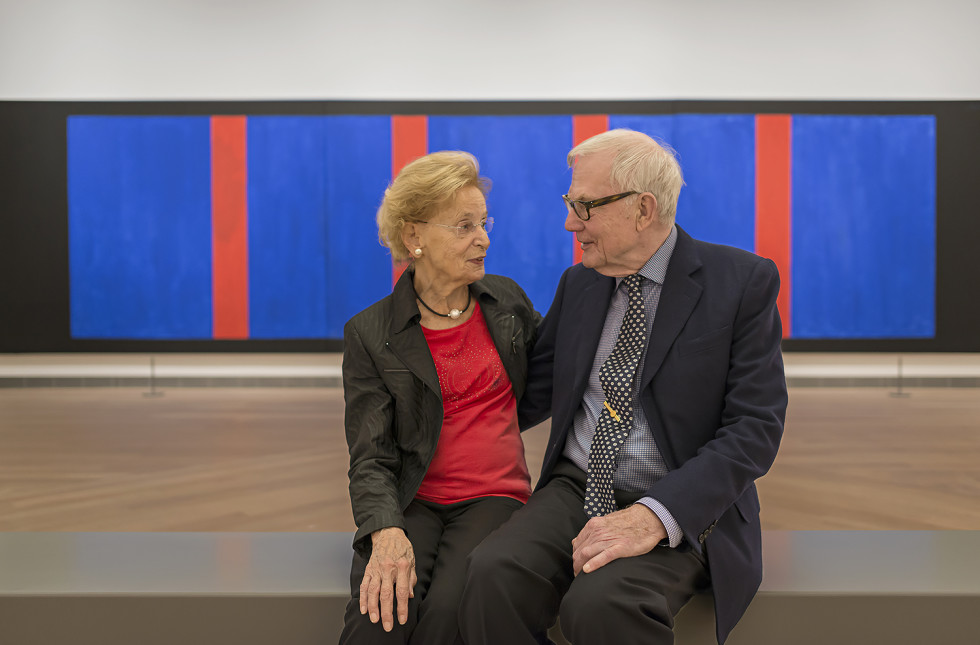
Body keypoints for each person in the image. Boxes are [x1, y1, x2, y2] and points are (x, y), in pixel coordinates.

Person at [459, 129, 787, 645]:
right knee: (492, 575)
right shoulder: (581, 284)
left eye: (585, 206)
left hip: (679, 498)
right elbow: (525, 395)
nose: (571, 223)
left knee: (603, 605)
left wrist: (656, 515)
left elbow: (754, 429)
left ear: (643, 208)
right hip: (578, 486)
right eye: (571, 203)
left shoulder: (741, 282)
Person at [339, 151, 540, 645]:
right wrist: (386, 530)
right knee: (379, 620)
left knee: (448, 616)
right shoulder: (371, 332)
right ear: (414, 237)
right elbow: (370, 456)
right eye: (464, 226)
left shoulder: (507, 302)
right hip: (413, 499)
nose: (484, 239)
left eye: (484, 222)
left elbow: (561, 376)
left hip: (495, 497)